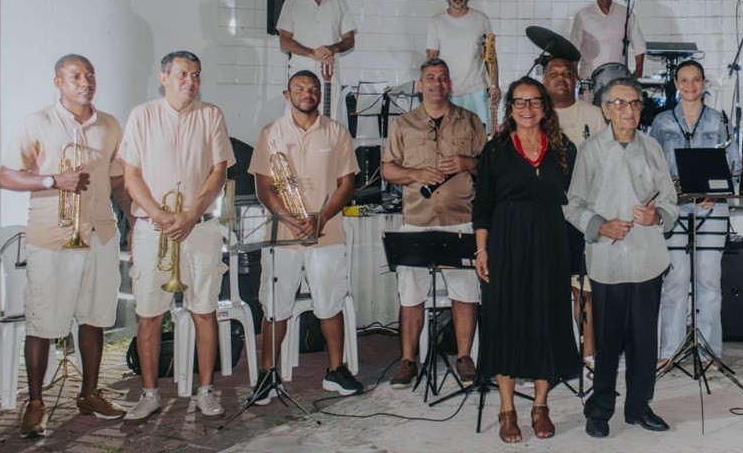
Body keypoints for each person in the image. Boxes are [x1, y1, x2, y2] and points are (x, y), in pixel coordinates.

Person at [0, 55, 131, 436]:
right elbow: (6, 176)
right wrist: (52, 181)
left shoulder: (110, 125)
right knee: (42, 323)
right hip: (52, 238)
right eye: (75, 76)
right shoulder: (36, 122)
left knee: (95, 318)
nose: (85, 82)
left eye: (90, 75)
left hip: (100, 234)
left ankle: (89, 393)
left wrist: (135, 219)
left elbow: (117, 180)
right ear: (58, 82)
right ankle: (36, 403)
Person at [119, 51, 234, 422]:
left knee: (205, 310)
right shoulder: (142, 115)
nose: (191, 81)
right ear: (164, 77)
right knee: (149, 316)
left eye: (196, 75)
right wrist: (159, 214)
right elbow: (131, 176)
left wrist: (192, 213)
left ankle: (206, 390)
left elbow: (218, 173)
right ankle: (149, 393)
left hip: (201, 229)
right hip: (154, 229)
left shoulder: (211, 114)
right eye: (183, 74)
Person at [565, 77, 679, 438]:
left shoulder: (653, 147)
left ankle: (639, 406)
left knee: (644, 340)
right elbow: (573, 206)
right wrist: (600, 225)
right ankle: (600, 409)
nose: (628, 111)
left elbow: (670, 201)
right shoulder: (591, 150)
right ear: (605, 109)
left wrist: (657, 216)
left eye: (634, 104)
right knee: (608, 341)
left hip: (647, 257)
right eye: (620, 103)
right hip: (608, 260)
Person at [473, 77, 581, 443]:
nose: (527, 108)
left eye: (534, 101)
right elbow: (483, 205)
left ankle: (540, 405)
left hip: (551, 241)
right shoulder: (496, 149)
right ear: (510, 108)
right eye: (519, 102)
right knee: (505, 320)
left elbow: (577, 198)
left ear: (545, 107)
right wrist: (482, 250)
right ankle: (507, 409)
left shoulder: (563, 148)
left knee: (547, 318)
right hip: (506, 240)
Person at [248, 70, 362, 401]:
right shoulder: (270, 133)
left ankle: (336, 371)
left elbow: (347, 184)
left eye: (313, 89)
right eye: (299, 88)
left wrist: (321, 217)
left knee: (330, 304)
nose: (307, 93)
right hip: (282, 236)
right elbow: (264, 186)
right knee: (275, 307)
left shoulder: (336, 132)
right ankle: (268, 375)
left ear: (319, 96)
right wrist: (289, 218)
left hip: (326, 233)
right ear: (288, 95)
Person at [381, 58, 486, 389]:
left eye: (443, 78)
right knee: (411, 293)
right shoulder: (402, 124)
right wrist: (414, 174)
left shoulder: (471, 121)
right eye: (430, 78)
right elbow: (388, 169)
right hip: (416, 220)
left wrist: (468, 162)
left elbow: (489, 165)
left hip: (460, 221)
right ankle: (408, 360)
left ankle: (464, 357)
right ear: (420, 84)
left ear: (450, 84)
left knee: (465, 291)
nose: (437, 83)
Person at [649, 59, 739, 367]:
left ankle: (709, 350)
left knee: (709, 282)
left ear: (704, 83)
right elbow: (653, 166)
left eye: (696, 79)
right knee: (675, 281)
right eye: (684, 80)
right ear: (676, 84)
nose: (690, 86)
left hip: (712, 209)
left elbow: (733, 164)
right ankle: (669, 350)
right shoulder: (662, 121)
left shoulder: (719, 120)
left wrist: (716, 193)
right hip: (674, 209)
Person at [541, 54, 605, 371]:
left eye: (567, 72)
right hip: (545, 216)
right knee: (545, 291)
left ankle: (589, 356)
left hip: (583, 215)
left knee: (584, 290)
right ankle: (547, 357)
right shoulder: (535, 115)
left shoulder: (593, 114)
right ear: (544, 80)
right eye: (554, 73)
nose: (561, 77)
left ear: (576, 78)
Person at [276, 0, 357, 119]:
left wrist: (332, 48)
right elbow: (284, 41)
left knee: (329, 122)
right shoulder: (292, 3)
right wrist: (312, 53)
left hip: (329, 75)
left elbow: (349, 40)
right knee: (297, 124)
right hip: (300, 75)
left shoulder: (338, 3)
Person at [426, 0, 500, 132]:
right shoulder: (436, 22)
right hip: (447, 92)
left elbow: (491, 58)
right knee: (448, 138)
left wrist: (495, 85)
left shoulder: (481, 20)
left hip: (476, 90)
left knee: (480, 137)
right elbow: (431, 60)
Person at [569, 0, 646, 80]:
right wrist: (574, 76)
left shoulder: (625, 13)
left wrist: (638, 71)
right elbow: (574, 48)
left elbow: (639, 44)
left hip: (617, 78)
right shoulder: (583, 15)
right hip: (589, 78)